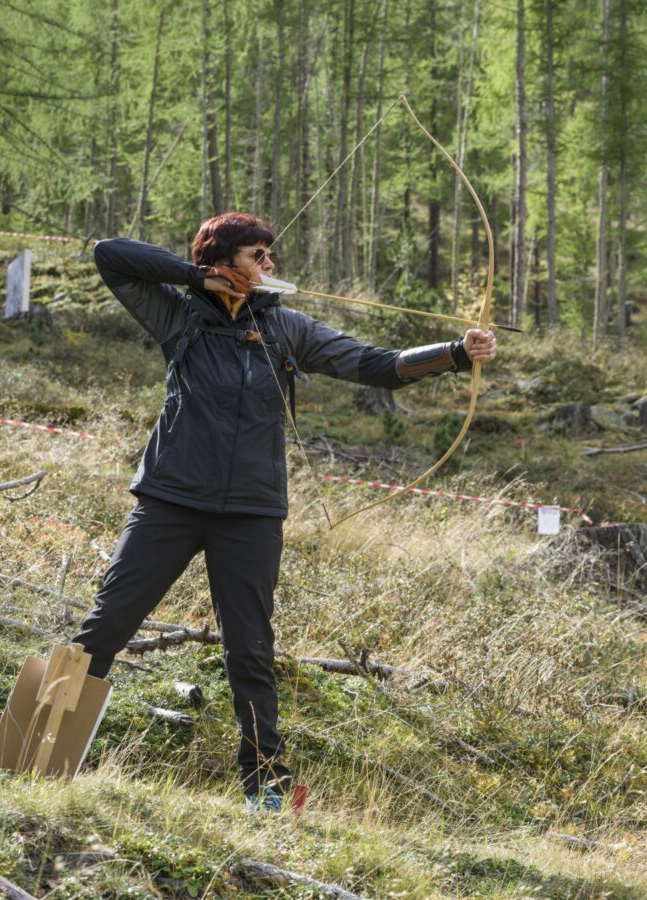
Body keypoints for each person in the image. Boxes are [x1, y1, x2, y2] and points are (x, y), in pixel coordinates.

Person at [72, 212, 496, 811]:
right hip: (170, 498)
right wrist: (199, 280)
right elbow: (109, 253)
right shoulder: (177, 312)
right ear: (223, 262)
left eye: (270, 255)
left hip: (251, 512)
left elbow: (378, 365)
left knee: (250, 652)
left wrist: (454, 352)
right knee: (108, 624)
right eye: (257, 256)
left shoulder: (288, 327)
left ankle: (266, 789)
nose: (269, 266)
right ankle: (35, 750)